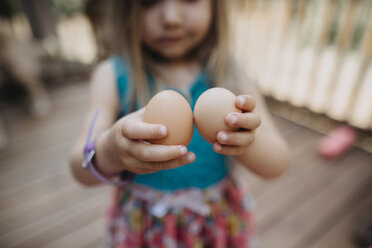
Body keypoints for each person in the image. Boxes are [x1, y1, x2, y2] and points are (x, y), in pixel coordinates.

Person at [70, 0, 291, 247]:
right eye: (149, 2)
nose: (171, 18)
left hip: (217, 224)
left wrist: (245, 140)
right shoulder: (111, 75)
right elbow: (79, 167)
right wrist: (109, 151)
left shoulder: (230, 71)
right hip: (144, 227)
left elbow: (278, 163)